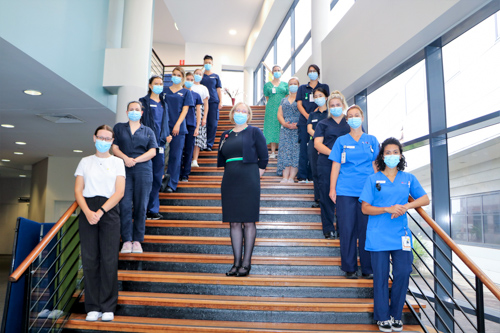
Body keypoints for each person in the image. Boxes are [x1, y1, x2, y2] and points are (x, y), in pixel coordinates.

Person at [359, 137, 429, 332]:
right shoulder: (373, 179)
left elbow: (425, 199)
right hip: (378, 234)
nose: (392, 156)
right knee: (380, 276)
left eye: (395, 152)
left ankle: (395, 315)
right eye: (388, 152)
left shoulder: (408, 178)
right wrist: (386, 209)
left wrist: (406, 206)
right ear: (382, 155)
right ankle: (382, 317)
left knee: (403, 272)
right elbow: (365, 209)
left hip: (401, 235)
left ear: (400, 155)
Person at [74, 125, 125, 322]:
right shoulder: (85, 162)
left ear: (112, 141)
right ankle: (93, 307)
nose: (104, 141)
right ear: (94, 138)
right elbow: (79, 190)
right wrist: (88, 212)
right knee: (89, 260)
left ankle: (108, 306)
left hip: (109, 211)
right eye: (100, 137)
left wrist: (101, 211)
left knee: (109, 259)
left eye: (108, 138)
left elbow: (119, 192)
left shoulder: (118, 162)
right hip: (88, 209)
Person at [217, 102, 268, 277]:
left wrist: (255, 174)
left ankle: (246, 264)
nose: (240, 113)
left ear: (248, 115)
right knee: (234, 222)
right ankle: (236, 263)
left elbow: (264, 157)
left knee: (248, 221)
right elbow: (223, 158)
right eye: (237, 110)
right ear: (232, 113)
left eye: (243, 111)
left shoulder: (255, 132)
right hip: (230, 178)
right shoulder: (226, 134)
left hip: (249, 177)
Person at [329, 105, 378, 279]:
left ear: (362, 118)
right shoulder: (341, 141)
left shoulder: (371, 140)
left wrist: (379, 188)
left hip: (367, 192)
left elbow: (376, 166)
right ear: (347, 120)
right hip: (345, 191)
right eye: (350, 116)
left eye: (357, 115)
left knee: (366, 230)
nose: (354, 118)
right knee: (347, 229)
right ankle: (349, 267)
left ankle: (368, 268)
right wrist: (332, 189)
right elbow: (336, 165)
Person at [112, 101, 157, 254]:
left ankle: (137, 240)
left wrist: (135, 160)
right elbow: (115, 147)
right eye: (131, 109)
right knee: (124, 205)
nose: (134, 111)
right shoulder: (119, 128)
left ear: (141, 113)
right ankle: (126, 240)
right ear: (126, 112)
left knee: (141, 205)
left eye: (137, 109)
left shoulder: (148, 131)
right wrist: (126, 158)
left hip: (143, 169)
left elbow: (153, 151)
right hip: (123, 169)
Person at [314, 90, 350, 239]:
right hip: (326, 163)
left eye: (338, 104)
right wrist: (335, 154)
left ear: (343, 105)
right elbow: (317, 144)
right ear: (329, 107)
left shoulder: (350, 122)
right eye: (332, 105)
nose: (335, 107)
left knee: (344, 197)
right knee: (327, 196)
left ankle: (343, 228)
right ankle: (328, 228)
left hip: (347, 165)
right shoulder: (323, 124)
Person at [139, 75, 171, 220]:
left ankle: (153, 209)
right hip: (146, 146)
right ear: (150, 86)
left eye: (161, 83)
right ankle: (142, 209)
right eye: (156, 83)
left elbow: (165, 122)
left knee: (157, 178)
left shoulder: (164, 103)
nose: (159, 85)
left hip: (161, 146)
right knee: (145, 178)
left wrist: (167, 135)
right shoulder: (143, 102)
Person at [296, 64, 330, 182]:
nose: (312, 73)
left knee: (317, 149)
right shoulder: (302, 88)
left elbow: (325, 102)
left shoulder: (324, 86)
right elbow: (299, 104)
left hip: (320, 120)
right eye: (310, 71)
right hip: (304, 122)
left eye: (314, 71)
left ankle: (312, 176)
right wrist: (308, 116)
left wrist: (315, 113)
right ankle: (302, 175)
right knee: (304, 149)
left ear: (318, 73)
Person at [164, 66, 194, 192]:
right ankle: (160, 182)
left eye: (178, 75)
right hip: (164, 127)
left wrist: (177, 125)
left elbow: (185, 110)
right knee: (161, 155)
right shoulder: (164, 90)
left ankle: (171, 184)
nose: (175, 77)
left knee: (175, 156)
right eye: (174, 74)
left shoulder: (186, 92)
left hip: (179, 128)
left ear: (182, 78)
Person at [307, 87, 329, 207]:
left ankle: (329, 199)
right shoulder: (312, 114)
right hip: (314, 145)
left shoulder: (330, 113)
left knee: (328, 172)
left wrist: (323, 142)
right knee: (316, 172)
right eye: (315, 96)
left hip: (328, 146)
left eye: (320, 96)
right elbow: (309, 129)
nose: (318, 98)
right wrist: (319, 140)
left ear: (326, 97)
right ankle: (319, 199)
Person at [276, 77, 300, 183]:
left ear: (298, 86)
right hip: (285, 129)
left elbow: (304, 114)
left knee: (295, 152)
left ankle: (291, 177)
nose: (293, 85)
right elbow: (279, 114)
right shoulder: (283, 99)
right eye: (291, 84)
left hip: (298, 129)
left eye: (295, 83)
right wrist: (284, 123)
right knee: (285, 152)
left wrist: (298, 125)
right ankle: (284, 177)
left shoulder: (301, 100)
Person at [180, 72, 202, 181]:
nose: (189, 81)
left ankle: (185, 174)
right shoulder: (179, 93)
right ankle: (177, 172)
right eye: (187, 79)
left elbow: (198, 113)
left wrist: (197, 127)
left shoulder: (196, 95)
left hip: (191, 125)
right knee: (179, 150)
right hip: (179, 125)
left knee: (189, 150)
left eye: (191, 80)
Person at [263, 65, 289, 159]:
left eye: (278, 70)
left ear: (281, 72)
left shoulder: (285, 84)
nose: (277, 71)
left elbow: (287, 96)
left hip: (283, 108)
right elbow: (267, 97)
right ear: (272, 72)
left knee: (281, 128)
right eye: (275, 70)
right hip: (271, 109)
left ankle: (282, 151)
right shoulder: (267, 85)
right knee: (272, 129)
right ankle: (272, 152)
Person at [200, 55, 223, 151]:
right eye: (206, 63)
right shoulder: (200, 76)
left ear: (212, 64)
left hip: (213, 102)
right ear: (203, 64)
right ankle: (202, 144)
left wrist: (221, 101)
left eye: (209, 63)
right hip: (201, 103)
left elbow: (218, 90)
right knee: (203, 123)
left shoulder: (216, 76)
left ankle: (209, 144)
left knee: (212, 124)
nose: (208, 64)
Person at [191, 68, 210, 168]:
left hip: (200, 112)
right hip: (189, 111)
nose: (198, 75)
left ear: (202, 77)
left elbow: (206, 105)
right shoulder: (188, 86)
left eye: (200, 74)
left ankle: (195, 160)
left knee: (198, 138)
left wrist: (204, 118)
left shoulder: (204, 88)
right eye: (196, 73)